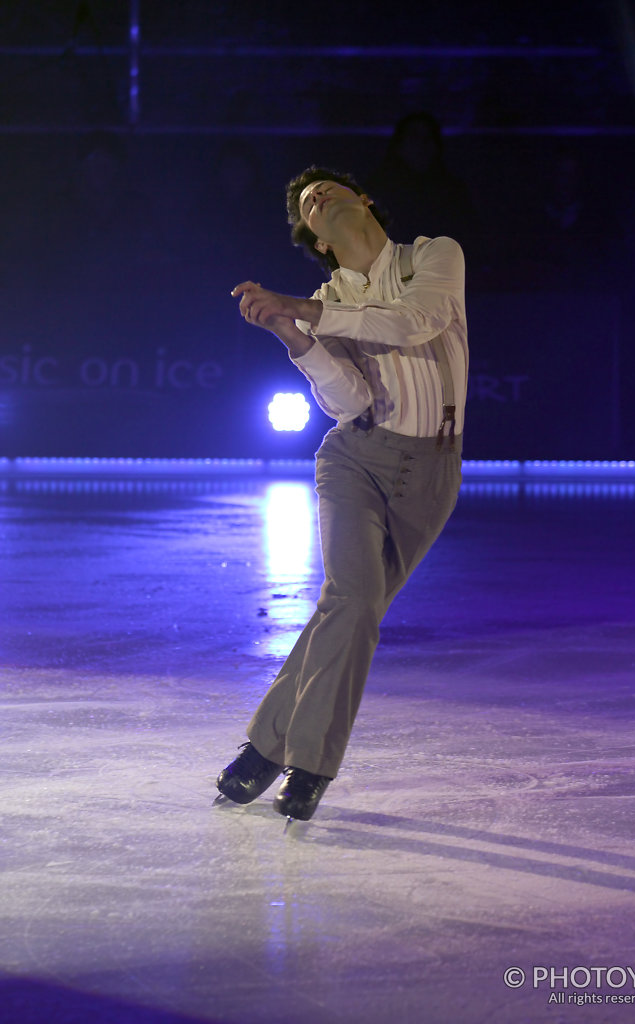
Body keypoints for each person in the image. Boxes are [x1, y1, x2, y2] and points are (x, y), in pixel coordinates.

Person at [217, 166, 468, 821]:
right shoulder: (323, 301)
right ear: (317, 239)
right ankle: (309, 766)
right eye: (307, 203)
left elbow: (419, 321)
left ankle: (263, 749)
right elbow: (348, 399)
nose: (317, 197)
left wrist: (306, 313)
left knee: (347, 610)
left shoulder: (432, 256)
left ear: (363, 200)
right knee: (354, 598)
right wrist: (295, 339)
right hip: (355, 461)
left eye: (327, 188)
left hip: (433, 471)